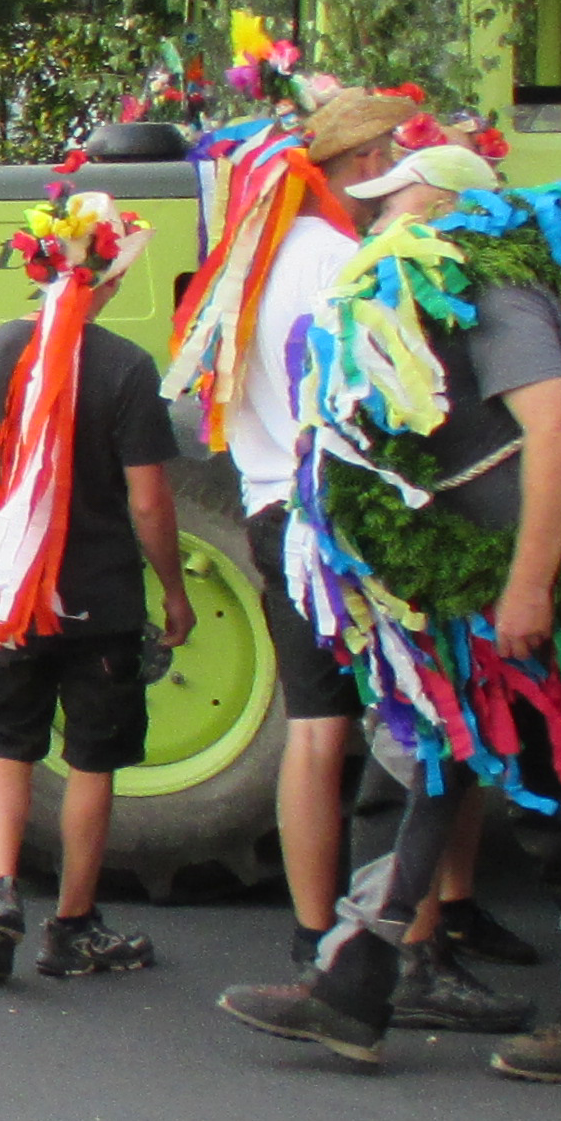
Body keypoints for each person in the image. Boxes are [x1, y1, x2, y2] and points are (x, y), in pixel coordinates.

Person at [220, 142, 561, 1082]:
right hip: (468, 586)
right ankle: (353, 982)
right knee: (419, 760)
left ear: (449, 208)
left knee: (551, 777)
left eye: (398, 200)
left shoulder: (499, 294)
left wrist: (529, 586)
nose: (380, 216)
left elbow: (558, 430)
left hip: (513, 584)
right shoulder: (446, 296)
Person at [166, 88, 405, 977]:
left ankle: (314, 932)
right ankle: (405, 931)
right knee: (401, 724)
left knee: (315, 728)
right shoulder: (337, 258)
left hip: (271, 505)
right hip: (330, 515)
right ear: (368, 168)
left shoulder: (261, 261)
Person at [0, 191, 185, 980]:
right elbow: (149, 500)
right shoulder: (126, 368)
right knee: (91, 759)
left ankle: (1, 890)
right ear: (108, 280)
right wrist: (173, 592)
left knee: (9, 745)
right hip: (101, 601)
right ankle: (74, 924)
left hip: (9, 601)